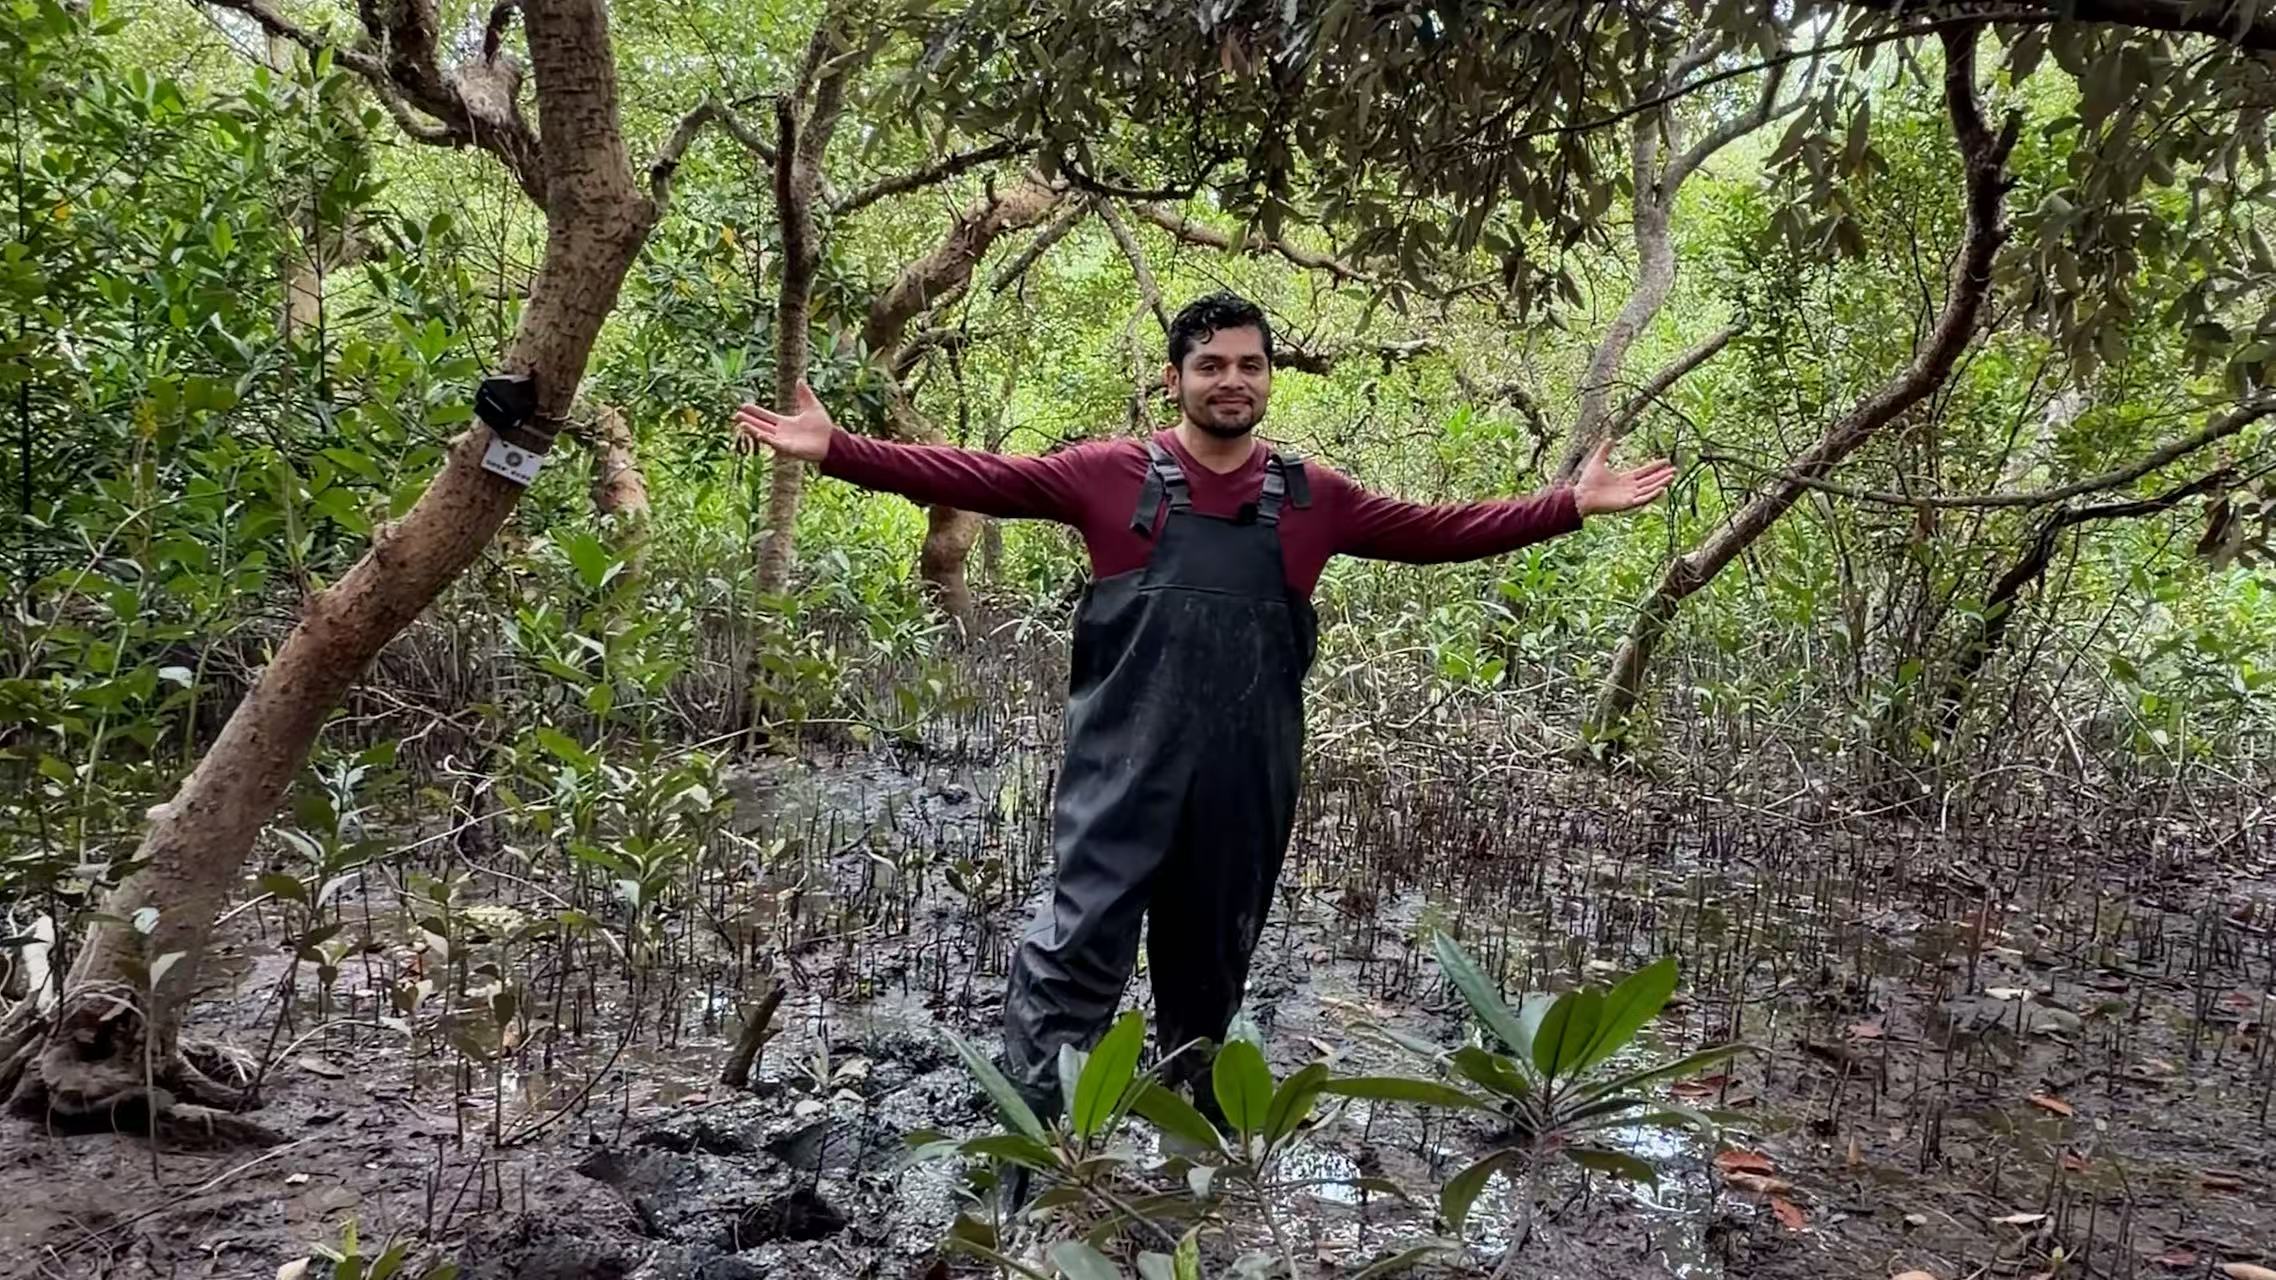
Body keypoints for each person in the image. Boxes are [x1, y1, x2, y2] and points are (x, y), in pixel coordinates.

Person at [732, 292, 1674, 1131]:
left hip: (1246, 777)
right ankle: (1039, 1150)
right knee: (1074, 955)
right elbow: (979, 477)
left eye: (1249, 365)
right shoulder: (1107, 474)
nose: (1232, 381)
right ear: (1175, 378)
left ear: (1269, 379)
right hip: (1120, 771)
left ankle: (1198, 1152)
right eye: (1211, 365)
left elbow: (1442, 532)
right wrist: (839, 451)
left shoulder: (1313, 499)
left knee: (1212, 966)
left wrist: (1568, 505)